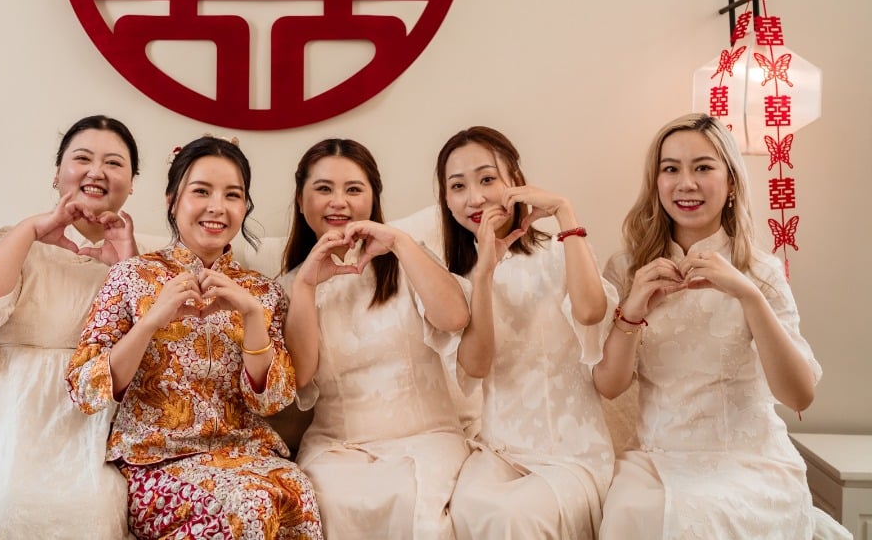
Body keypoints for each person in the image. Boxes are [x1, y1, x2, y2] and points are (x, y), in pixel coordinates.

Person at [594, 114, 851, 540]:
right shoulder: (627, 267)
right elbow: (609, 385)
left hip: (749, 459)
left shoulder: (761, 271)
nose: (686, 183)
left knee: (711, 517)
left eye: (703, 167)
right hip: (657, 456)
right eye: (670, 168)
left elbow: (799, 393)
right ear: (656, 182)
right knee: (632, 514)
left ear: (731, 183)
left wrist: (748, 296)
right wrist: (634, 307)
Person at [66, 135, 322, 540]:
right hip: (155, 464)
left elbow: (274, 400)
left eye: (232, 195)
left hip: (247, 455)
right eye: (201, 191)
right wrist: (151, 321)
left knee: (299, 494)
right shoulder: (131, 277)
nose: (217, 207)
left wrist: (252, 315)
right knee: (250, 505)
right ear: (172, 199)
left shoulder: (262, 291)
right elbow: (85, 390)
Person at [0, 115, 142, 539]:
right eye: (82, 158)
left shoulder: (139, 257)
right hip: (3, 409)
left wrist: (128, 265)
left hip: (87, 414)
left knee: (92, 507)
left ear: (131, 183)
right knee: (1, 504)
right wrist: (34, 229)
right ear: (57, 173)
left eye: (114, 163)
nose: (97, 171)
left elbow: (153, 352)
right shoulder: (16, 238)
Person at [277, 138, 471, 539]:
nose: (338, 202)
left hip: (425, 439)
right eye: (323, 189)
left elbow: (455, 318)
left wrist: (399, 242)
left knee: (406, 496)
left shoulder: (407, 260)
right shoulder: (289, 287)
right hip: (338, 447)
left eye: (353, 189)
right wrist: (307, 287)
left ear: (373, 198)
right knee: (332, 499)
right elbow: (299, 375)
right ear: (300, 200)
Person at [441, 126, 616, 540]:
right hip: (499, 453)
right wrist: (484, 272)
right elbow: (478, 365)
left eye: (487, 179)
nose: (475, 198)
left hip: (571, 453)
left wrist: (566, 213)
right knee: (472, 507)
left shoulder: (560, 252)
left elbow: (591, 312)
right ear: (446, 202)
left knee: (515, 518)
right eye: (458, 186)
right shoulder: (455, 282)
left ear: (516, 184)